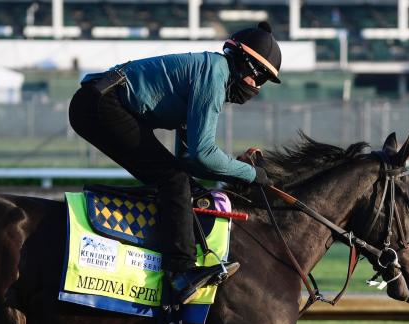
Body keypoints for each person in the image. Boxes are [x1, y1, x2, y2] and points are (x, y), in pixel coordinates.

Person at [68, 22, 282, 305]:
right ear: (245, 66)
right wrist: (251, 174)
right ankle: (179, 273)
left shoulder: (212, 72)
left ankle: (166, 257)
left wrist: (238, 175)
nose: (257, 88)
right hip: (100, 105)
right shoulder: (215, 74)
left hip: (104, 101)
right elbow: (203, 154)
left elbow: (189, 159)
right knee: (173, 181)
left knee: (182, 182)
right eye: (260, 78)